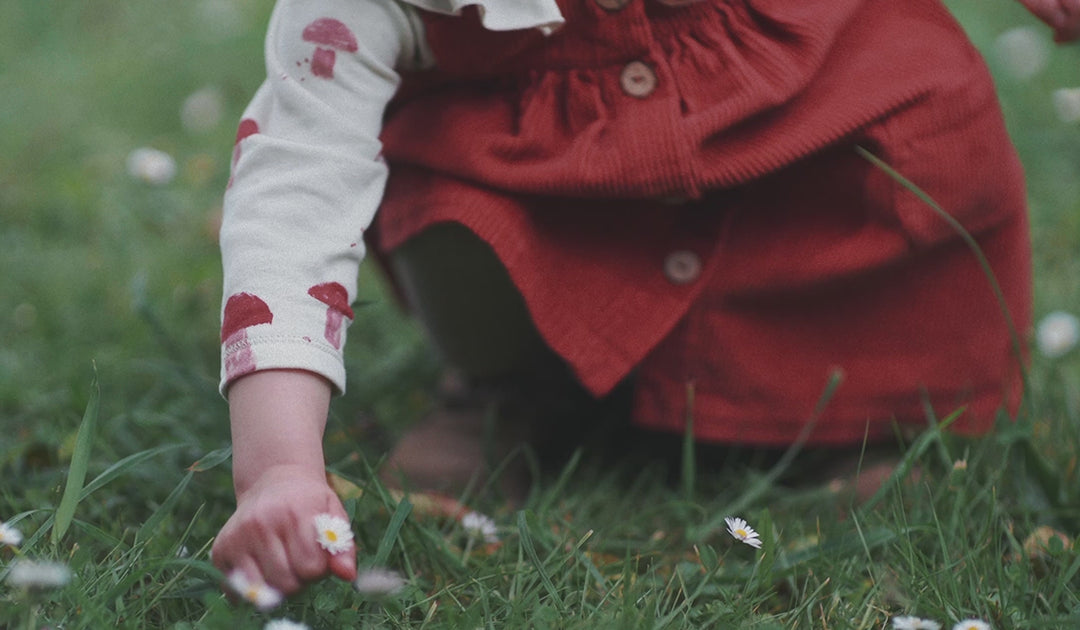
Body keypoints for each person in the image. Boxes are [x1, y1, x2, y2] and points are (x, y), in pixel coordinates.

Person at [210, 0, 1080, 597]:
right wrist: (281, 466)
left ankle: (864, 416)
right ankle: (508, 388)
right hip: (547, 195)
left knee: (891, 152)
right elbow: (296, 188)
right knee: (456, 212)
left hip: (797, 131)